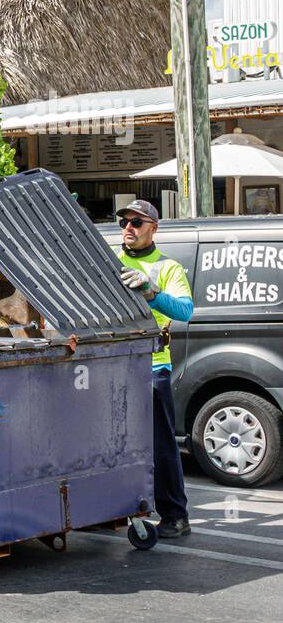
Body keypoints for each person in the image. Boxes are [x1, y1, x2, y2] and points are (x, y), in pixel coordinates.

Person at [115, 200, 195, 538]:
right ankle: (111, 510)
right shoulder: (111, 264)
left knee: (161, 444)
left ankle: (175, 515)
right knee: (112, 444)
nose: (128, 227)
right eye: (124, 222)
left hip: (152, 366)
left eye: (137, 222)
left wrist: (152, 291)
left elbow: (185, 310)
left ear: (154, 228)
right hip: (113, 365)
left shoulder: (168, 267)